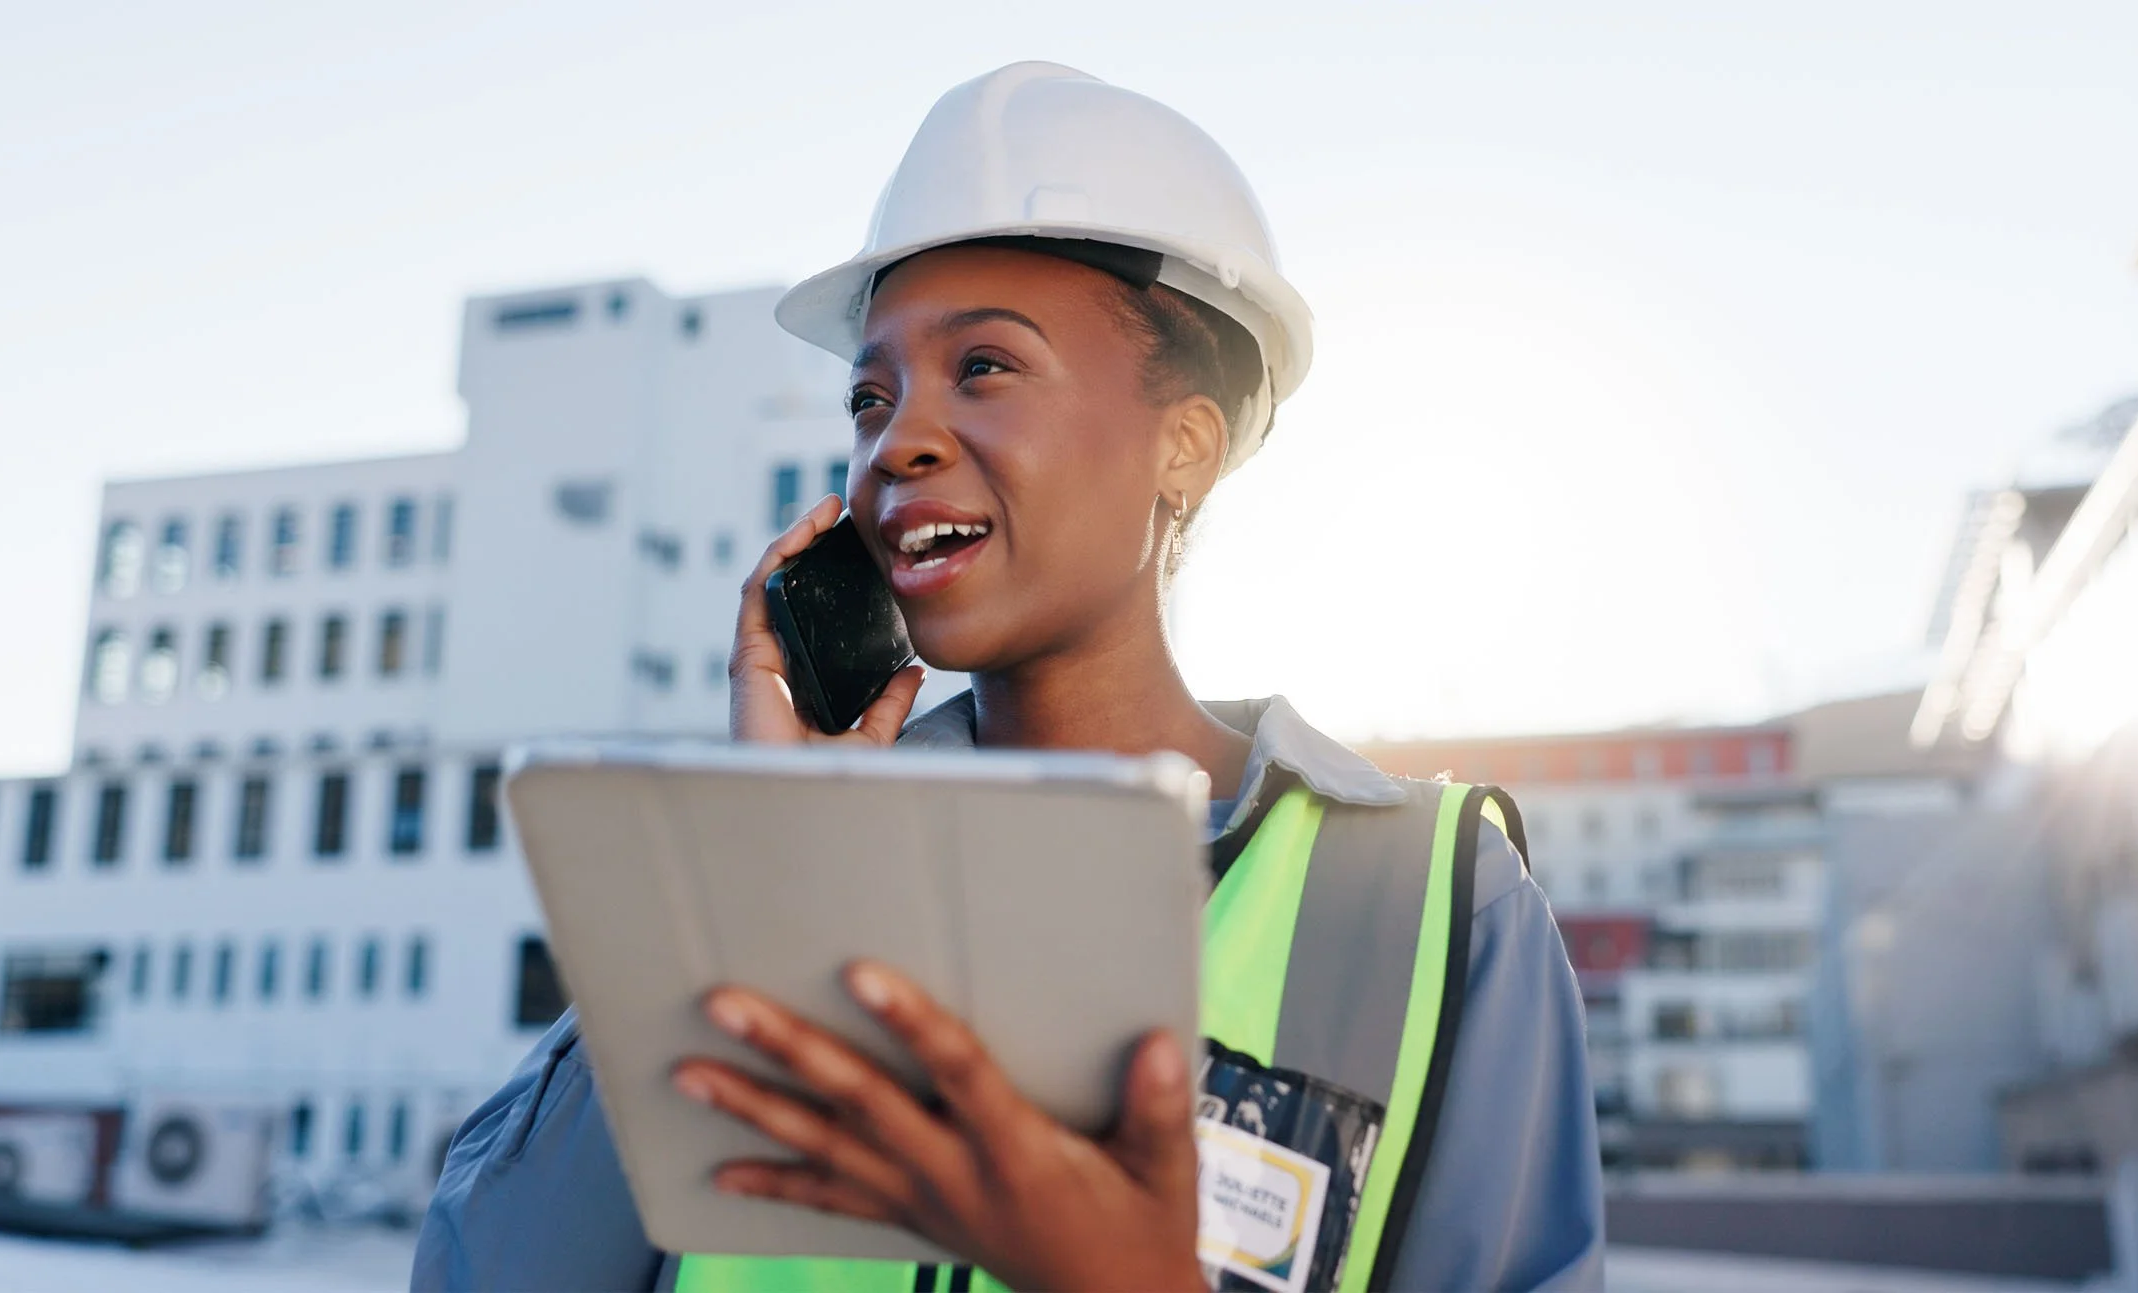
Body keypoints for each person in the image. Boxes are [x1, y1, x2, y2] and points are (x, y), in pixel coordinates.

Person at [415, 62, 1602, 1292]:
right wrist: (756, 866)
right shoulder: (786, 858)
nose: (896, 444)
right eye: (870, 398)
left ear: (1181, 446)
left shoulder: (1428, 906)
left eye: (983, 367)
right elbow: (486, 1268)